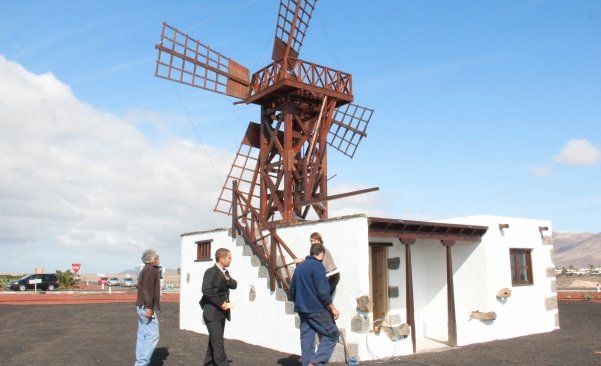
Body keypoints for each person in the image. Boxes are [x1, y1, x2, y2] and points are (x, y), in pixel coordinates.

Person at [291, 243, 340, 366]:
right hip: (317, 310)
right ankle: (315, 363)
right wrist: (332, 308)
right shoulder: (318, 266)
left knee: (307, 337)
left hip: (302, 310)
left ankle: (307, 363)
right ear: (321, 254)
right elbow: (323, 291)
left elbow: (292, 290)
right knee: (333, 334)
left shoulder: (299, 268)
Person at [200, 248, 237, 366]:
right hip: (212, 314)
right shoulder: (211, 271)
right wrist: (221, 303)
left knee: (213, 345)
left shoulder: (225, 272)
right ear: (221, 259)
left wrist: (228, 279)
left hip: (221, 313)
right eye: (229, 257)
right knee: (218, 345)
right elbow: (206, 290)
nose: (231, 260)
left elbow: (234, 285)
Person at [135, 249, 162, 366]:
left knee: (143, 335)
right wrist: (149, 307)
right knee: (153, 335)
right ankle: (142, 363)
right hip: (146, 308)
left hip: (141, 307)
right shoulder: (152, 270)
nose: (158, 259)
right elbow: (147, 290)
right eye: (157, 257)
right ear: (152, 259)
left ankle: (140, 362)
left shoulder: (145, 270)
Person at [295, 232, 340, 296]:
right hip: (331, 275)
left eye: (314, 240)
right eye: (311, 241)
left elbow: (316, 263)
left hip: (331, 276)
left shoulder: (321, 249)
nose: (312, 242)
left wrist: (302, 262)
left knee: (322, 298)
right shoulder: (317, 249)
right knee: (324, 299)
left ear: (319, 241)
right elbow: (313, 260)